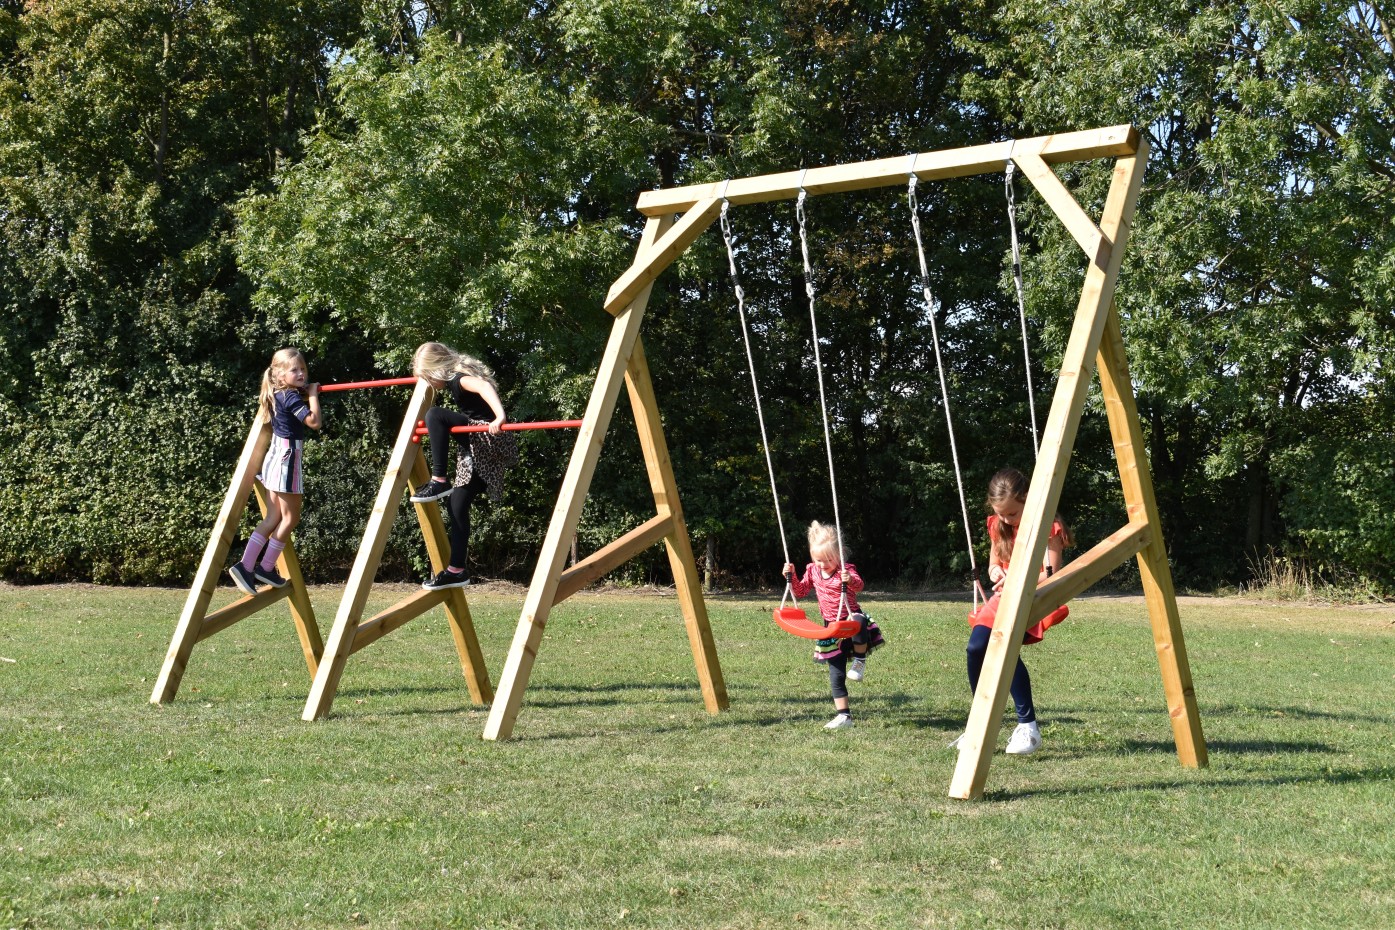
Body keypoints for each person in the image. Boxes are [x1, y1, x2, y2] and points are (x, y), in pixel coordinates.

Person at [953, 466, 1073, 755]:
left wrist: (1018, 578)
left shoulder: (1048, 526)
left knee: (1006, 649)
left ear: (1028, 500)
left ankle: (1028, 727)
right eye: (1002, 513)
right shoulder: (998, 525)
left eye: (1013, 514)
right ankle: (978, 725)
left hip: (1033, 596)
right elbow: (995, 561)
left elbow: (1052, 574)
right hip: (1004, 597)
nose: (1007, 519)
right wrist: (996, 572)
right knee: (975, 648)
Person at [409, 341, 517, 590]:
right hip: (476, 447)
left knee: (435, 415)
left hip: (487, 436)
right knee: (456, 504)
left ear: (436, 369)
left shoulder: (458, 379)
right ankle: (456, 570)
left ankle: (439, 480)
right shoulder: (453, 382)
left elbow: (484, 386)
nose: (427, 383)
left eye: (426, 377)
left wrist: (500, 417)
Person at [229, 348, 322, 594]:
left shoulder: (278, 394)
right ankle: (264, 567)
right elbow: (314, 422)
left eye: (303, 369)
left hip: (276, 456)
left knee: (273, 518)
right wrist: (312, 395)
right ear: (280, 376)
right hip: (288, 458)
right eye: (294, 370)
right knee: (291, 518)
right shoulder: (291, 397)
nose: (301, 373)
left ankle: (247, 565)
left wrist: (304, 390)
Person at [783, 521, 885, 730]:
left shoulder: (845, 570)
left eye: (829, 559)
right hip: (831, 626)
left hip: (850, 617)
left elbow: (859, 585)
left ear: (839, 555)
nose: (823, 564)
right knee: (835, 673)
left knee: (858, 621)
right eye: (818, 559)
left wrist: (850, 579)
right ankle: (844, 716)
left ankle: (859, 660)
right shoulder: (812, 570)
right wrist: (790, 577)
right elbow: (801, 592)